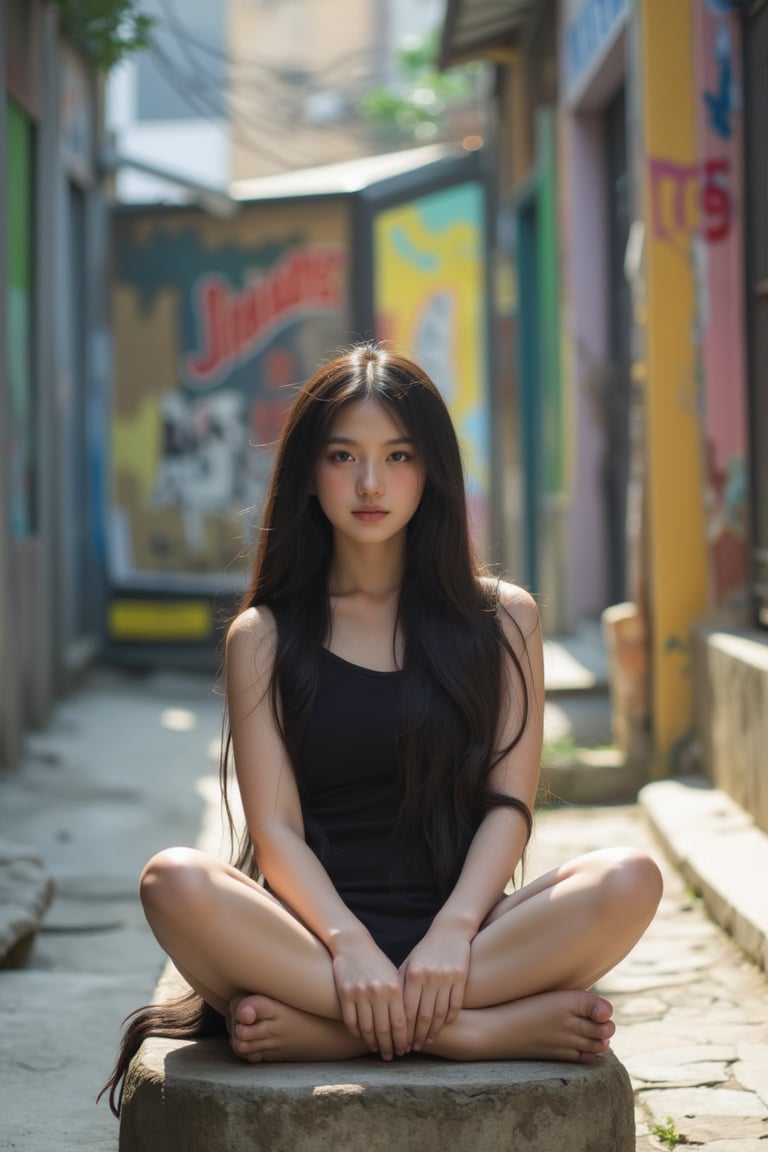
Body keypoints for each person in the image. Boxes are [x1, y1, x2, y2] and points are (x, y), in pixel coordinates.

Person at [100, 344, 662, 1118]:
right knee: (172, 880)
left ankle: (341, 1034)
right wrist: (351, 947)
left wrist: (453, 934)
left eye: (397, 455)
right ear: (308, 472)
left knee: (631, 876)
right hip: (312, 946)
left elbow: (508, 805)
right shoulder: (263, 636)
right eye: (344, 457)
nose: (371, 483)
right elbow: (278, 831)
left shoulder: (504, 619)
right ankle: (467, 1032)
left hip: (466, 943)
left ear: (430, 468)